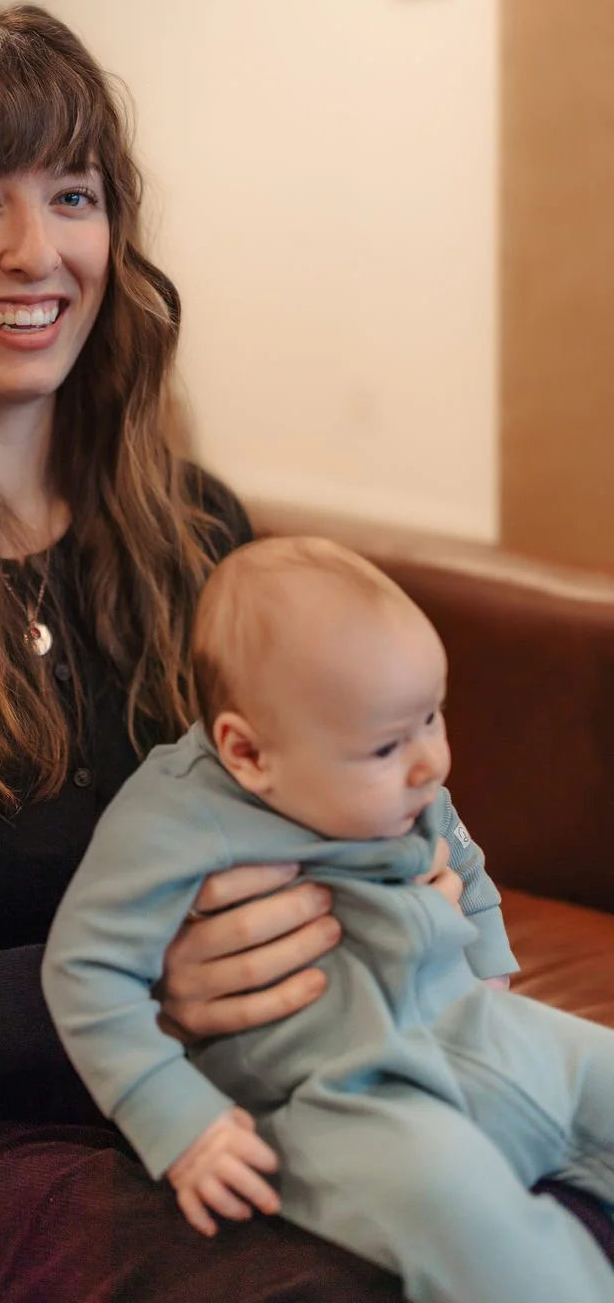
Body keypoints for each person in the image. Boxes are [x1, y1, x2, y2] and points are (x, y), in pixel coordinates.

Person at [0, 4, 612, 1303]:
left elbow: (333, 794)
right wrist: (133, 989)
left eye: (74, 194)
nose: (37, 248)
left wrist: (416, 915)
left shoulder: (194, 526)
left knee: (550, 1202)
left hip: (235, 1083)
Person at [43, 536, 614, 1302]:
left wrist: (492, 966)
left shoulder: (405, 777)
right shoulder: (173, 821)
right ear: (247, 752)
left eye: (432, 718)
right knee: (471, 1219)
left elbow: (462, 855)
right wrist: (180, 1123)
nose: (430, 763)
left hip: (469, 1028)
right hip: (335, 1096)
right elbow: (85, 971)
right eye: (387, 745)